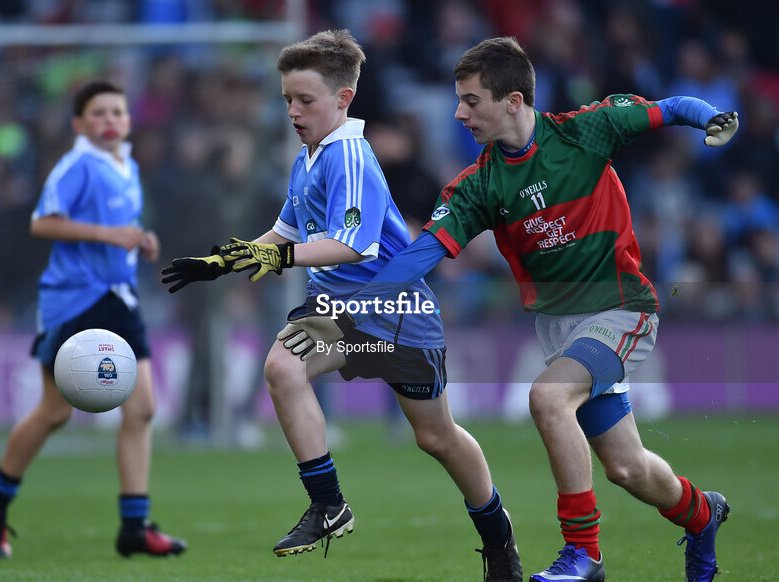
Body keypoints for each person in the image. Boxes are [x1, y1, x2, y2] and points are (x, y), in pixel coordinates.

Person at [283, 37, 738, 582]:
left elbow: (672, 109)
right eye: (459, 100)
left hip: (622, 308)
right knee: (627, 467)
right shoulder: (479, 185)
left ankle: (583, 554)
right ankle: (703, 514)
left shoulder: (587, 130)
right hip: (559, 328)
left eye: (472, 101)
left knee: (547, 398)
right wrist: (354, 308)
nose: (459, 113)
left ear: (514, 101)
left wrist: (713, 118)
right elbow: (424, 252)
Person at [160, 30, 522, 581]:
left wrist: (278, 261)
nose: (294, 110)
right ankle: (328, 505)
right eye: (287, 99)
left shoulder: (349, 152)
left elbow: (354, 246)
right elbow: (281, 236)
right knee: (283, 367)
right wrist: (218, 263)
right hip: (337, 313)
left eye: (305, 100)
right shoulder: (308, 159)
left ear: (344, 98)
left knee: (437, 437)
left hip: (397, 313)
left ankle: (500, 541)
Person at [0, 80, 186, 559]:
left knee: (143, 408)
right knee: (56, 410)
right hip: (75, 300)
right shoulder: (76, 165)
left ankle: (134, 526)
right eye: (99, 113)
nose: (110, 120)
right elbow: (43, 222)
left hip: (119, 296)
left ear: (128, 121)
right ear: (79, 124)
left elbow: (117, 231)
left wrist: (140, 240)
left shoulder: (127, 165)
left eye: (118, 112)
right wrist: (111, 236)